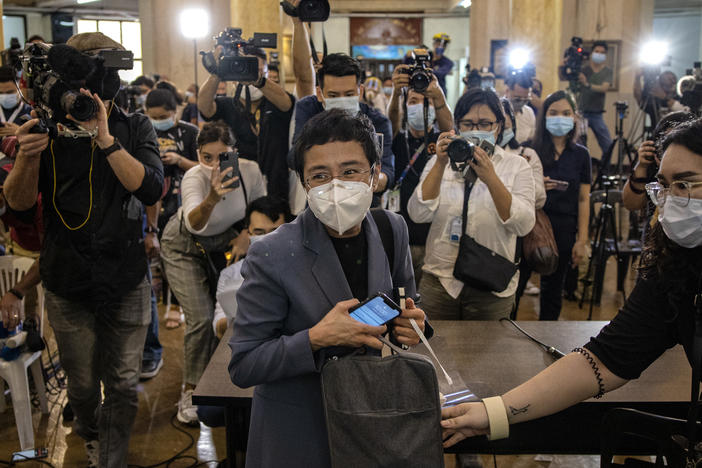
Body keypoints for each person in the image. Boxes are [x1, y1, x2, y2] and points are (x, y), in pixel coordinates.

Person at [441, 117, 702, 450]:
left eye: (685, 184)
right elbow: (603, 360)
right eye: (664, 186)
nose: (672, 199)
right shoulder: (676, 272)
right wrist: (495, 411)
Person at [229, 109, 428, 468]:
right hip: (299, 431)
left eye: (350, 171)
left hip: (369, 416)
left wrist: (410, 326)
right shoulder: (271, 252)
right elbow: (244, 365)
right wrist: (315, 338)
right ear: (304, 183)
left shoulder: (390, 229)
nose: (335, 185)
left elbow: (405, 304)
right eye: (319, 175)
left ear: (374, 172)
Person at [3, 32, 163, 467]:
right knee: (84, 386)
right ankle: (91, 433)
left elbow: (151, 185)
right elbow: (17, 207)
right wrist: (27, 158)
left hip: (125, 277)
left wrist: (105, 139)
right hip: (67, 281)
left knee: (125, 383)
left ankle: (109, 457)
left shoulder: (135, 125)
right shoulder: (44, 127)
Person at [160, 121, 265, 426]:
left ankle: (224, 379)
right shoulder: (195, 177)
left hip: (223, 243)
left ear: (236, 152)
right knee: (201, 316)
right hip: (184, 244)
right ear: (198, 154)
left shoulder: (250, 171)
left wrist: (247, 233)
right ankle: (191, 388)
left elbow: (260, 207)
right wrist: (213, 195)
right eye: (207, 157)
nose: (215, 164)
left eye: (224, 157)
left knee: (230, 309)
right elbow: (194, 223)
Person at [407, 88, 536, 319]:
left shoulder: (516, 166)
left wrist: (491, 178)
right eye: (468, 123)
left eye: (485, 123)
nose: (476, 130)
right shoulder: (440, 161)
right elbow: (418, 214)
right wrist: (439, 163)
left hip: (491, 283)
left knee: (487, 353)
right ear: (457, 126)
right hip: (440, 278)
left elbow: (523, 225)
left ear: (498, 126)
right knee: (432, 351)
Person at [517, 90, 591, 320]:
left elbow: (583, 199)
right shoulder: (529, 149)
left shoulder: (581, 154)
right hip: (531, 224)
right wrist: (536, 185)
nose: (560, 117)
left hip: (564, 228)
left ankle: (547, 343)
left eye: (566, 113)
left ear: (575, 117)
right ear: (544, 117)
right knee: (516, 286)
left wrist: (582, 240)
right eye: (554, 113)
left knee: (553, 291)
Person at [198, 45, 295, 201]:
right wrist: (217, 72)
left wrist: (259, 81)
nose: (247, 76)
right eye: (241, 69)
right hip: (235, 187)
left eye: (256, 69)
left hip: (275, 184)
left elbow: (287, 104)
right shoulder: (227, 105)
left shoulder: (275, 102)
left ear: (266, 72)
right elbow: (204, 106)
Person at [291, 53, 395, 195]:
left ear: (360, 91)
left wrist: (367, 180)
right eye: (333, 96)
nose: (342, 101)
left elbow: (387, 173)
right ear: (320, 94)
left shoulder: (378, 121)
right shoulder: (309, 108)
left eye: (349, 94)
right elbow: (294, 158)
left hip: (363, 199)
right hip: (321, 196)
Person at [387, 67, 453, 282]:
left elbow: (450, 127)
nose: (419, 106)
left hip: (431, 236)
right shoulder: (399, 138)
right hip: (399, 234)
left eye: (426, 101)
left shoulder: (440, 140)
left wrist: (438, 95)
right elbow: (392, 121)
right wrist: (397, 93)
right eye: (413, 100)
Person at [144, 89, 199, 331]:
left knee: (180, 257)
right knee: (158, 258)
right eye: (153, 117)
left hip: (182, 202)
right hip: (152, 201)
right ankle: (158, 300)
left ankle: (176, 306)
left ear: (175, 111)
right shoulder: (143, 130)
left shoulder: (189, 133)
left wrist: (179, 161)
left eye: (163, 116)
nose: (158, 121)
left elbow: (205, 166)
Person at [212, 195, 292, 339]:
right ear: (248, 232)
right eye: (259, 233)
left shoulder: (306, 267)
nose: (267, 239)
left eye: (275, 231)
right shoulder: (230, 275)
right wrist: (239, 315)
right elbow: (218, 329)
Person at [622, 111, 694, 240]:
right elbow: (631, 204)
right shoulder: (653, 169)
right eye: (665, 144)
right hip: (656, 237)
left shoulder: (695, 170)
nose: (671, 150)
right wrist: (642, 166)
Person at [501, 98, 547, 300]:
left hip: (521, 237)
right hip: (491, 241)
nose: (502, 125)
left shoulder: (527, 154)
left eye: (506, 119)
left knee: (515, 295)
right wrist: (514, 186)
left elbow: (538, 197)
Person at [575, 41, 613, 157]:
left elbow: (604, 88)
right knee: (580, 144)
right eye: (597, 51)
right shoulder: (583, 70)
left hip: (597, 114)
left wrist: (587, 84)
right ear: (591, 53)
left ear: (605, 55)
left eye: (602, 52)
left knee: (608, 144)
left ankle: (603, 172)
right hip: (581, 113)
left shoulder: (607, 71)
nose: (599, 54)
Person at [0, 66, 31, 144]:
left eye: (10, 92)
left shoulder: (31, 113)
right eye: (0, 93)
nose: (4, 96)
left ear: (19, 88)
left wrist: (22, 133)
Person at [504, 72, 536, 145]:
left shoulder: (529, 113)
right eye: (517, 99)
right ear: (507, 91)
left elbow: (531, 138)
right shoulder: (495, 110)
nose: (521, 102)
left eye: (525, 99)